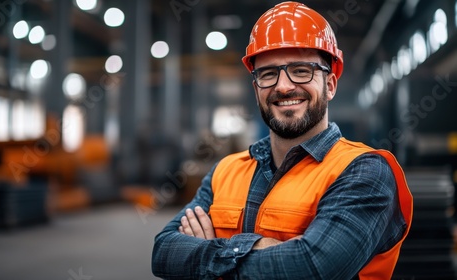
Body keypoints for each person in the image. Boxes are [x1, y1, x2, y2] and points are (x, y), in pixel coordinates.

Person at [151, 1, 413, 279]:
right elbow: (164, 252)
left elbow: (312, 268)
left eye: (301, 70)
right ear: (256, 90)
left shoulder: (364, 172)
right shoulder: (225, 171)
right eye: (268, 74)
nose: (284, 86)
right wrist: (258, 248)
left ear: (330, 85)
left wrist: (209, 256)